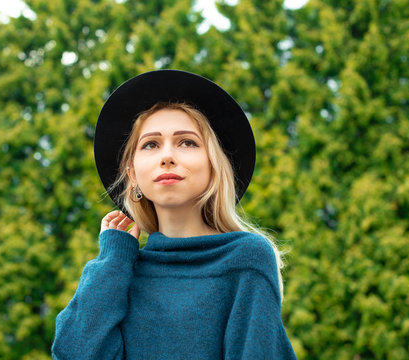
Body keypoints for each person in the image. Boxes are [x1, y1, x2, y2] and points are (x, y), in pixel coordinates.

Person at [52, 70, 297, 359]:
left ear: (213, 165)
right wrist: (113, 259)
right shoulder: (119, 273)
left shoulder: (247, 259)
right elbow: (74, 353)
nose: (167, 156)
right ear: (132, 174)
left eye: (187, 142)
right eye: (151, 144)